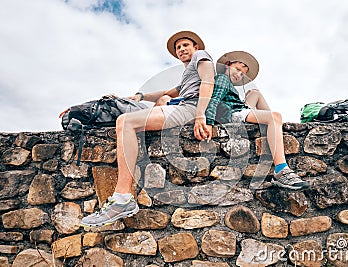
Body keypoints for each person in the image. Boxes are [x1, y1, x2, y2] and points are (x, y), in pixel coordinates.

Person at [80, 30, 215, 227]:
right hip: (183, 106)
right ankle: (122, 197)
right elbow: (169, 92)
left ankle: (122, 198)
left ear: (196, 47)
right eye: (178, 47)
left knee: (126, 122)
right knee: (128, 119)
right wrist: (140, 96)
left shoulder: (200, 56)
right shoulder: (188, 73)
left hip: (191, 107)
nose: (181, 49)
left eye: (186, 45)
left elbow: (208, 82)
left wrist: (201, 114)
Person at [205, 51, 309, 190]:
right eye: (237, 69)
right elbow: (213, 100)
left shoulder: (229, 84)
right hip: (233, 114)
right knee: (275, 116)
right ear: (227, 65)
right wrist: (208, 122)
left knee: (255, 93)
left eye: (243, 73)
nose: (239, 74)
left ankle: (275, 128)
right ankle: (281, 170)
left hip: (240, 109)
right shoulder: (222, 79)